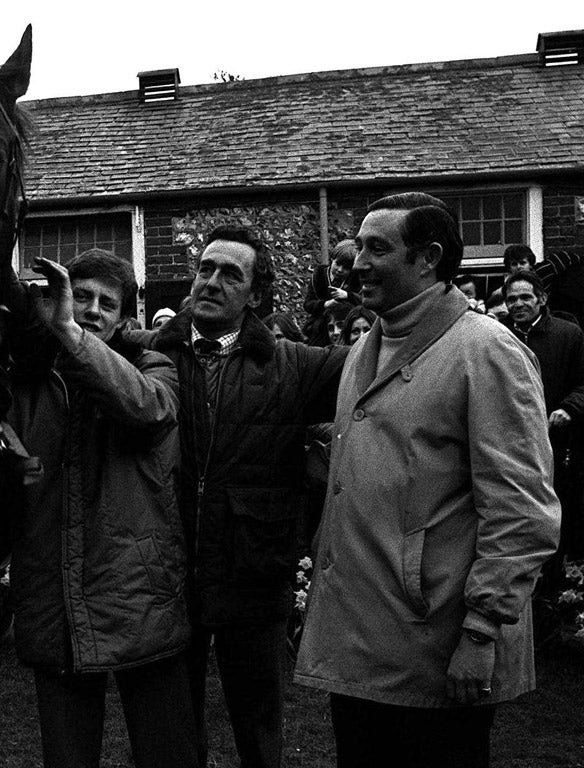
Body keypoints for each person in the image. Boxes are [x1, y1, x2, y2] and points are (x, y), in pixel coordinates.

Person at [295, 193, 560, 768]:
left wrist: (482, 630)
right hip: (364, 644)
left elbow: (522, 509)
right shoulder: (369, 344)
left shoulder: (487, 351)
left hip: (440, 643)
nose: (356, 262)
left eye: (376, 248)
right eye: (358, 246)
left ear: (428, 259)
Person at [0, 250, 197, 768]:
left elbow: (147, 412)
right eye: (79, 296)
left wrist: (69, 333)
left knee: (169, 755)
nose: (89, 310)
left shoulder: (153, 367)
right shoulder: (25, 383)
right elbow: (9, 490)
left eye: (105, 304)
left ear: (124, 318)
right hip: (54, 603)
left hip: (139, 601)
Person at [141, 224, 346, 768]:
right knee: (174, 733)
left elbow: (382, 361)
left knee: (258, 727)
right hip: (170, 571)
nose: (210, 282)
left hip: (254, 572)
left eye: (230, 274)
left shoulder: (295, 365)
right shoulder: (149, 357)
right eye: (205, 269)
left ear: (256, 295)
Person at [501, 269, 584, 578]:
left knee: (555, 513)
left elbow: (583, 382)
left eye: (525, 297)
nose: (518, 304)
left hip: (557, 443)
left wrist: (569, 409)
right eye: (511, 299)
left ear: (542, 298)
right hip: (512, 445)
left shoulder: (568, 335)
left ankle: (554, 583)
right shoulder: (498, 336)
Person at [302, 240, 361, 345]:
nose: (340, 270)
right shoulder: (319, 275)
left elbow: (362, 301)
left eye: (346, 268)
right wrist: (325, 304)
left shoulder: (355, 280)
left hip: (346, 324)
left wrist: (347, 295)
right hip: (320, 324)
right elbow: (308, 304)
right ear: (332, 259)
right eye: (337, 264)